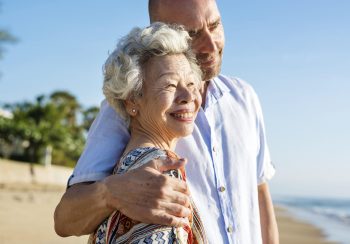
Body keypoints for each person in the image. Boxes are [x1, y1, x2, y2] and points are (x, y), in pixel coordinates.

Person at [54, 0, 279, 243]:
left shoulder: (244, 97)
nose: (211, 44)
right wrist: (112, 193)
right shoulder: (127, 105)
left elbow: (259, 194)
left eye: (214, 25)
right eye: (191, 34)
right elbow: (65, 220)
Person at [87, 22, 207, 243]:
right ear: (133, 100)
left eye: (191, 84)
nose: (188, 96)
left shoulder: (126, 169)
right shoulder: (158, 177)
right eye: (169, 86)